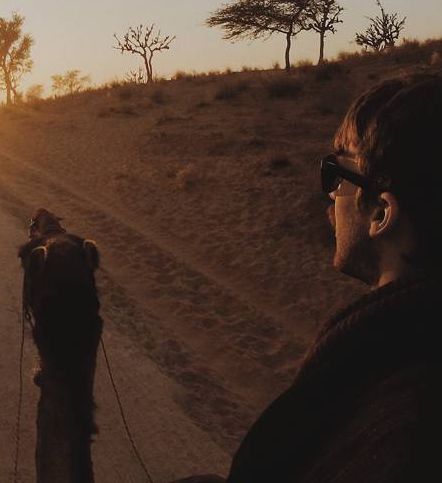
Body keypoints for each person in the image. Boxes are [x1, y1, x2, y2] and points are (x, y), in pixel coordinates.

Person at [176, 73, 441, 483]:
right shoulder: (396, 354)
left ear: (380, 213)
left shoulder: (400, 425)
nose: (331, 193)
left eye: (337, 172)